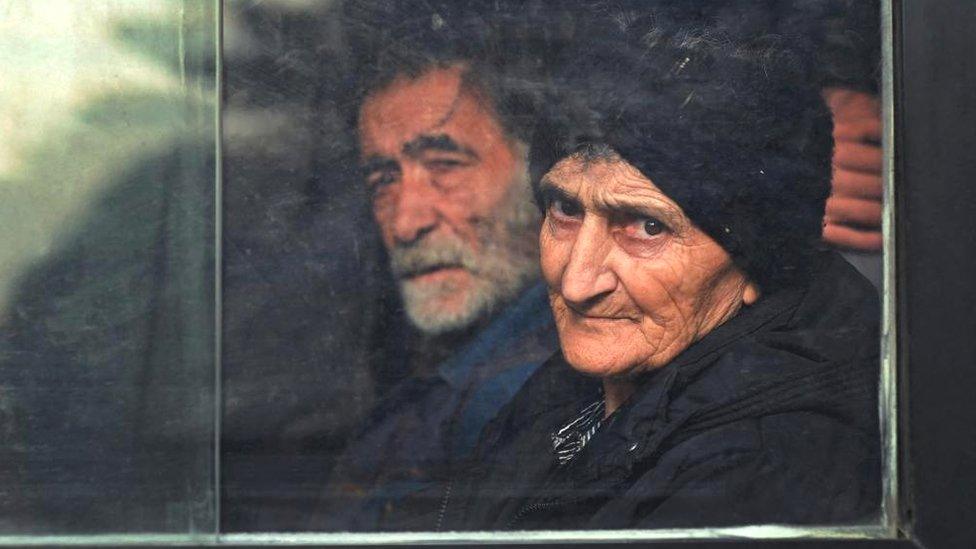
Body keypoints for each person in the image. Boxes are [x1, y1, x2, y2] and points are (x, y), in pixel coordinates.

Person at [440, 11, 881, 530]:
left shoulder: (749, 475)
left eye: (647, 228)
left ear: (756, 263)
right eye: (565, 210)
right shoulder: (596, 384)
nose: (578, 282)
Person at [309, 3, 558, 531]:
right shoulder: (436, 385)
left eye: (445, 165)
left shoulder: (551, 391)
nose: (405, 222)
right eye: (382, 179)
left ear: (540, 172)